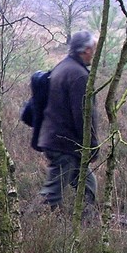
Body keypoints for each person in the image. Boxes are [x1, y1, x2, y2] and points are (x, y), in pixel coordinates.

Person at [37, 30, 98, 209]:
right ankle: (34, 223)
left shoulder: (63, 67)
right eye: (93, 48)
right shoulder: (78, 75)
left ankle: (87, 222)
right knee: (52, 193)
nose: (94, 52)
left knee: (87, 184)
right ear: (86, 50)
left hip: (59, 141)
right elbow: (83, 115)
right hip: (64, 144)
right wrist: (91, 146)